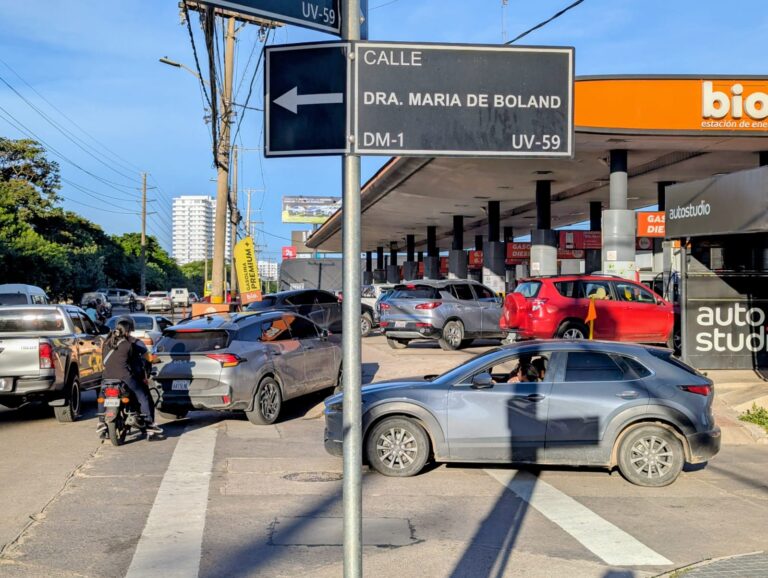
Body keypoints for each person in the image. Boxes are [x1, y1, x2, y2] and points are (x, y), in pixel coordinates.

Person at [97, 316, 162, 438]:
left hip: (107, 377)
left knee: (102, 396)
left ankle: (101, 422)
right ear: (130, 329)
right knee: (143, 395)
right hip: (125, 376)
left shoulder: (107, 342)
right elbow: (143, 359)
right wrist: (157, 360)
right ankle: (149, 425)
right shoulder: (131, 344)